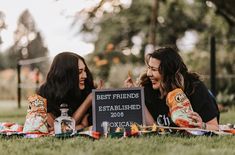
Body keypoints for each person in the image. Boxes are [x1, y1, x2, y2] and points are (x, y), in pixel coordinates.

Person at [125, 47, 219, 130]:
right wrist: (137, 96)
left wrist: (202, 126)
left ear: (168, 72)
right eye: (149, 68)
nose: (149, 73)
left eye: (154, 69)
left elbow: (215, 127)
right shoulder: (148, 88)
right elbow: (153, 128)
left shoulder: (194, 88)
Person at [38, 52, 95, 131]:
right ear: (66, 74)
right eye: (79, 72)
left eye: (85, 70)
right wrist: (87, 101)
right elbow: (57, 129)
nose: (85, 76)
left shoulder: (87, 89)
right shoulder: (45, 93)